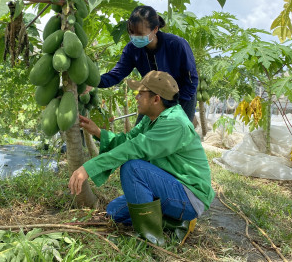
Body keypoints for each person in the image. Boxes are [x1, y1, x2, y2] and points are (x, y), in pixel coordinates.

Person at [69, 71, 214, 246]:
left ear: (156, 99)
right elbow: (129, 141)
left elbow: (134, 148)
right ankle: (175, 221)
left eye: (141, 93)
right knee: (114, 211)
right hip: (169, 186)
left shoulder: (174, 123)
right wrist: (98, 132)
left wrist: (88, 168)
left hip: (190, 196)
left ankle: (151, 239)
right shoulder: (151, 118)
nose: (136, 97)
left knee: (133, 167)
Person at [98, 5, 198, 122]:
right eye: (131, 32)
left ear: (155, 29)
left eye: (140, 33)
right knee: (140, 135)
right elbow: (117, 74)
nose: (134, 37)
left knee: (176, 135)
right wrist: (94, 81)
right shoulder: (132, 49)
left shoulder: (176, 44)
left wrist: (175, 106)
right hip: (152, 97)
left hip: (182, 97)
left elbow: (191, 79)